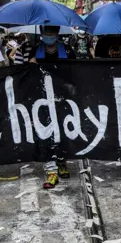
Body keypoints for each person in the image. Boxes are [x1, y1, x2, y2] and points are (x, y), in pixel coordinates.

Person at [30, 26, 74, 188]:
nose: (49, 36)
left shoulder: (67, 50)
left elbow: (76, 71)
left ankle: (62, 162)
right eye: (46, 33)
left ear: (57, 34)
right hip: (41, 98)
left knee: (62, 131)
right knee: (46, 133)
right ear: (41, 34)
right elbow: (25, 72)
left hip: (63, 98)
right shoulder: (35, 50)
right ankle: (51, 171)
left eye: (52, 33)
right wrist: (30, 64)